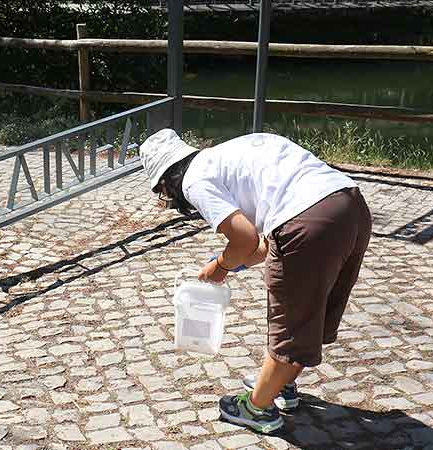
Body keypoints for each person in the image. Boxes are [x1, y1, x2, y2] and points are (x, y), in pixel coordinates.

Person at [140, 129, 372, 435]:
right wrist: (229, 264)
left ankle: (256, 406)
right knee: (311, 315)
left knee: (292, 324)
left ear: (167, 181)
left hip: (307, 224)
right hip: (350, 207)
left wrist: (221, 267)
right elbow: (267, 244)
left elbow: (247, 238)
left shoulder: (194, 181)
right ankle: (282, 384)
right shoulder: (230, 153)